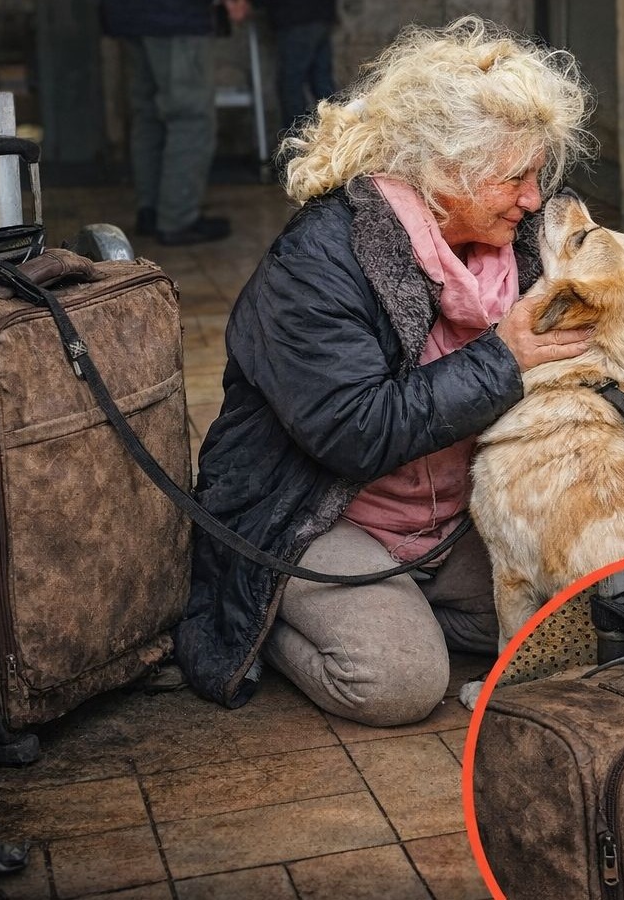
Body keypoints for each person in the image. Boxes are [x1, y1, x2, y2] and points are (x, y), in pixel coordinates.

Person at [175, 16, 595, 726]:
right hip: (317, 514)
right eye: (514, 178)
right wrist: (506, 357)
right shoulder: (320, 260)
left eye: (538, 174)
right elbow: (354, 431)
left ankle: (404, 602)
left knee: (582, 628)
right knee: (401, 683)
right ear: (443, 172)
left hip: (452, 518)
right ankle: (265, 619)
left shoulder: (519, 243)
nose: (533, 199)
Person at [99, 0, 251, 246]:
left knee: (147, 114)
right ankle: (178, 218)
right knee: (191, 117)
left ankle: (151, 210)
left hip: (127, 15)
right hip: (175, 16)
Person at [264, 0, 337, 135]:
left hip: (294, 16)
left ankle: (297, 142)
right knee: (322, 83)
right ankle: (337, 135)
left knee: (291, 84)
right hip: (321, 14)